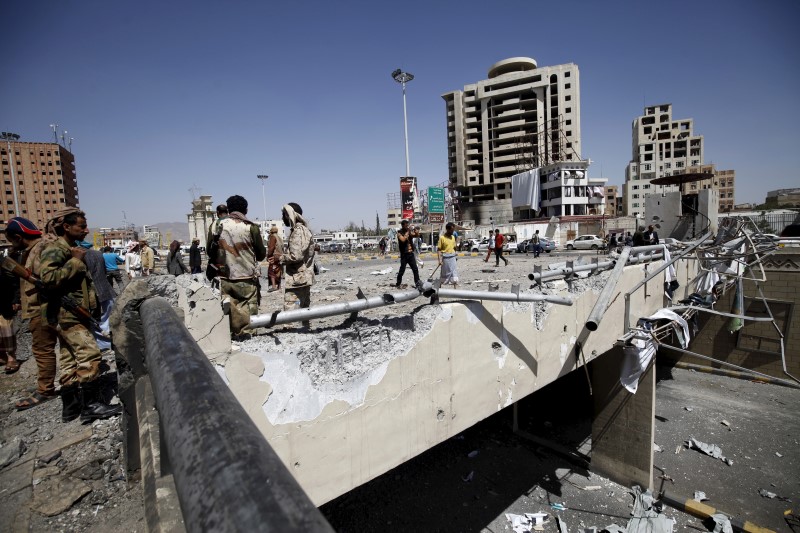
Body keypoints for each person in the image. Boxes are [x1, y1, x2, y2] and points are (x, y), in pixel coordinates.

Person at [39, 208, 122, 423]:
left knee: (68, 358)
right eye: (81, 226)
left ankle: (71, 406)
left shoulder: (70, 248)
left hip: (74, 313)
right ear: (66, 227)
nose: (86, 230)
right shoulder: (56, 250)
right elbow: (47, 279)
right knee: (90, 354)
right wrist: (75, 262)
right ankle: (92, 405)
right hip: (68, 314)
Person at [5, 217, 58, 409]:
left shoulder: (39, 250)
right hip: (43, 308)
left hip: (42, 308)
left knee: (43, 350)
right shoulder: (35, 249)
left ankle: (45, 390)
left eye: (12, 240)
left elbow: (46, 281)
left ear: (18, 237)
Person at [216, 195, 266, 335]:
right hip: (246, 279)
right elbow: (261, 254)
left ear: (229, 209)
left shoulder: (217, 226)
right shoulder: (250, 227)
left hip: (224, 278)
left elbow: (209, 250)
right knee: (248, 317)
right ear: (246, 210)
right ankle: (248, 338)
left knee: (228, 310)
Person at [280, 202, 315, 329]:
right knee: (305, 310)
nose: (283, 218)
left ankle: (290, 336)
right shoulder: (304, 230)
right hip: (304, 278)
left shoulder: (298, 232)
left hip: (297, 279)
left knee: (291, 310)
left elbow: (296, 256)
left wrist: (280, 258)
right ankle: (306, 332)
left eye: (284, 215)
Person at [77, 240, 115, 350]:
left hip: (92, 292)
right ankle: (108, 343)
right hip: (106, 289)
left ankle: (101, 345)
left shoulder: (80, 256)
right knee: (107, 318)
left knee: (95, 319)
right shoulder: (98, 254)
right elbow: (103, 271)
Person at [395, 219, 422, 291]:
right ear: (403, 225)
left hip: (410, 254)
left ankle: (417, 283)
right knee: (402, 270)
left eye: (408, 225)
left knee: (415, 269)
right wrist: (408, 232)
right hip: (404, 254)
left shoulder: (409, 232)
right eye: (406, 225)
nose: (407, 227)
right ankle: (398, 283)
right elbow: (403, 240)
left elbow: (416, 235)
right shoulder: (399, 233)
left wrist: (416, 231)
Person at [437, 222, 459, 288]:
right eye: (452, 230)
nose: (453, 231)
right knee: (444, 272)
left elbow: (454, 247)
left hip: (452, 257)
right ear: (447, 229)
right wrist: (440, 260)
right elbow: (439, 250)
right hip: (445, 258)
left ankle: (455, 286)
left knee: (454, 272)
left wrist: (456, 254)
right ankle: (440, 286)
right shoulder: (442, 238)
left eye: (453, 230)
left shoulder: (453, 237)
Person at [267, 226, 284, 292]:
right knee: (278, 271)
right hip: (280, 256)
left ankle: (274, 286)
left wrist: (268, 255)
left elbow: (271, 248)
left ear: (271, 231)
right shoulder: (279, 237)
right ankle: (279, 286)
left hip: (274, 256)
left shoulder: (272, 237)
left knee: (271, 270)